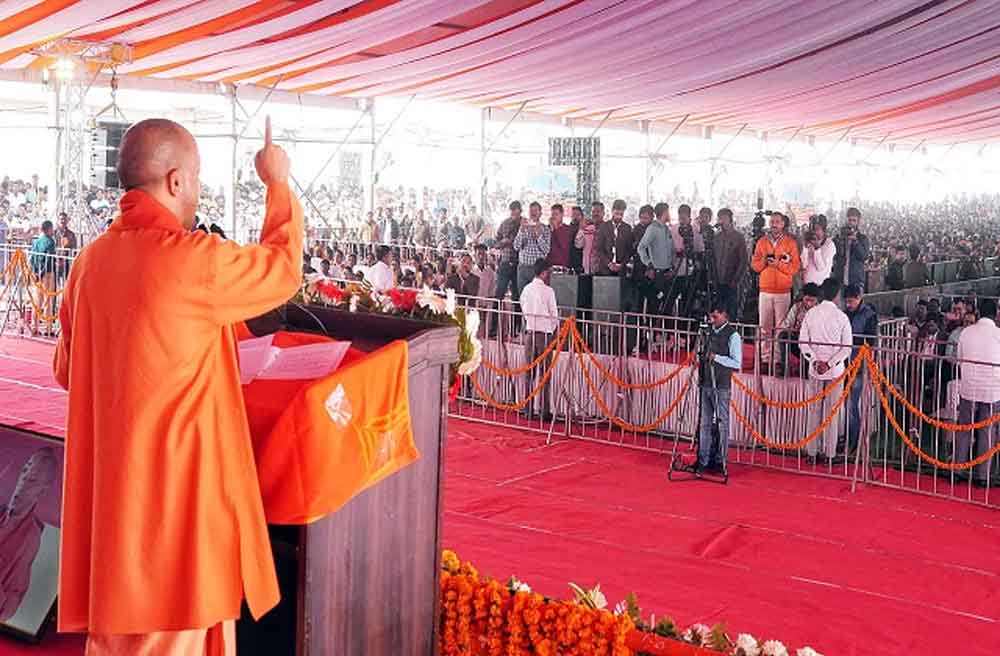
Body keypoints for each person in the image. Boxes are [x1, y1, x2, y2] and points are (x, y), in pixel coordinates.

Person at [54, 117, 302, 652]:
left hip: (112, 510)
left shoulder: (88, 264)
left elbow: (66, 371)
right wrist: (276, 181)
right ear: (175, 181)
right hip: (176, 512)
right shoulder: (192, 260)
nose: (197, 190)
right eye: (196, 178)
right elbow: (283, 267)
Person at [0, 447, 60, 622]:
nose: (24, 480)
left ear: (42, 490)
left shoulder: (31, 537)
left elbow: (7, 610)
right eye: (25, 470)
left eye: (33, 479)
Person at [799, 278, 854, 462]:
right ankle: (830, 454)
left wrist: (815, 361)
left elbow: (803, 342)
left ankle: (812, 453)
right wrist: (829, 364)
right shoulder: (842, 317)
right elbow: (846, 348)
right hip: (834, 371)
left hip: (815, 369)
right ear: (837, 295)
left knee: (813, 410)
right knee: (832, 413)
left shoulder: (811, 314)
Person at [954, 298, 1000, 486]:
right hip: (992, 391)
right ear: (996, 314)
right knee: (987, 432)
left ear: (978, 312)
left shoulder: (966, 332)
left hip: (969, 388)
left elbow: (959, 358)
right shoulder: (999, 334)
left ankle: (957, 471)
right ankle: (982, 476)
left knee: (964, 430)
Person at [751, 213, 801, 370]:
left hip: (783, 291)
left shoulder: (790, 243)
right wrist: (765, 262)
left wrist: (778, 264)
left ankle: (778, 360)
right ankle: (765, 359)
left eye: (777, 222)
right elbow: (754, 265)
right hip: (765, 290)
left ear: (783, 224)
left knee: (780, 327)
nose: (774, 224)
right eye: (772, 221)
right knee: (764, 326)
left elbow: (795, 267)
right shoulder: (762, 242)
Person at [697, 303, 742, 475]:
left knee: (722, 423)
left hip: (721, 385)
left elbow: (736, 363)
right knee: (705, 423)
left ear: (725, 315)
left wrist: (716, 358)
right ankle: (703, 460)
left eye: (715, 317)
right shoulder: (707, 332)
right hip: (706, 382)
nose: (712, 320)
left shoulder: (733, 335)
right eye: (711, 316)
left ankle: (721, 461)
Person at [519, 258, 559, 421]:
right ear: (544, 273)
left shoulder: (526, 289)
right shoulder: (549, 291)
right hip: (545, 333)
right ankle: (544, 410)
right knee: (544, 374)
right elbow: (554, 314)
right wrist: (551, 328)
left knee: (529, 372)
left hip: (530, 331)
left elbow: (523, 307)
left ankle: (527, 409)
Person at [841, 284, 879, 457]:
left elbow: (870, 342)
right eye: (846, 301)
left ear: (859, 298)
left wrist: (850, 341)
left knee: (852, 405)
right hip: (843, 364)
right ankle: (848, 438)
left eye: (851, 301)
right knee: (845, 405)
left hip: (859, 365)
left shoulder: (869, 316)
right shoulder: (844, 314)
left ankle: (854, 441)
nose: (848, 304)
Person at [636, 203, 673, 316]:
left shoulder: (667, 229)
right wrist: (649, 264)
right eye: (668, 212)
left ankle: (663, 327)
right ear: (664, 213)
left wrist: (672, 267)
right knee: (655, 305)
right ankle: (652, 326)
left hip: (667, 273)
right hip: (657, 273)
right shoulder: (653, 228)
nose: (669, 214)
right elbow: (641, 247)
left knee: (666, 305)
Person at [777, 282, 820, 374]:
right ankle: (785, 368)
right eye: (807, 299)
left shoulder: (820, 310)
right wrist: (791, 329)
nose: (809, 303)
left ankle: (806, 367)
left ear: (817, 300)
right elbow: (786, 324)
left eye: (812, 300)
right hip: (797, 340)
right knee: (783, 335)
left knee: (805, 372)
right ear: (803, 297)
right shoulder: (797, 307)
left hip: (812, 344)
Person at [713, 208, 747, 320]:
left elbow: (743, 261)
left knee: (732, 310)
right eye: (720, 218)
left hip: (732, 281)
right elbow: (713, 258)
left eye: (724, 218)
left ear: (730, 219)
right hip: (718, 281)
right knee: (718, 309)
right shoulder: (717, 237)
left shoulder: (738, 237)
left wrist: (736, 279)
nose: (721, 220)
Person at [513, 201, 551, 293]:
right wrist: (522, 230)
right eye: (531, 211)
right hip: (523, 268)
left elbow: (546, 250)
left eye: (535, 210)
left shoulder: (545, 229)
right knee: (523, 296)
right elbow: (516, 247)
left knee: (537, 297)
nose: (533, 213)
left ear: (540, 213)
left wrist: (538, 235)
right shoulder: (523, 227)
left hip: (538, 270)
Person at [834, 207, 871, 290]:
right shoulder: (838, 237)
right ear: (846, 220)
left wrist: (855, 242)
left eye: (854, 220)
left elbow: (864, 257)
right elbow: (834, 255)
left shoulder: (862, 238)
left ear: (858, 222)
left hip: (856, 280)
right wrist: (840, 239)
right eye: (849, 220)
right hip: (840, 278)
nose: (851, 223)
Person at [594, 199, 632, 276]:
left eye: (621, 214)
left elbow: (629, 250)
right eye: (617, 213)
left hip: (621, 270)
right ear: (612, 211)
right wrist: (608, 263)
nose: (619, 216)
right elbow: (599, 249)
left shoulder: (627, 228)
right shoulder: (604, 227)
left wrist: (621, 264)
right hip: (605, 269)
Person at [801, 217, 836, 286]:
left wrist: (817, 248)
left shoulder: (829, 244)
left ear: (824, 230)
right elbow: (803, 265)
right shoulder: (810, 241)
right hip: (807, 284)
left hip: (820, 285)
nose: (814, 232)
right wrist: (805, 247)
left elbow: (820, 267)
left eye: (817, 229)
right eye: (812, 229)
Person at [546, 203, 575, 268]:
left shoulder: (568, 229)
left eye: (556, 214)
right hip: (549, 264)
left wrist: (556, 228)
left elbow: (564, 246)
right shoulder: (547, 229)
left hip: (562, 264)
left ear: (562, 215)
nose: (554, 217)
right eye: (552, 214)